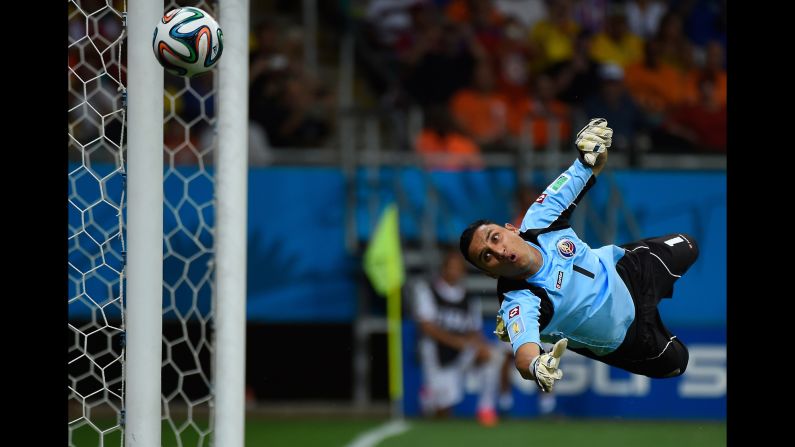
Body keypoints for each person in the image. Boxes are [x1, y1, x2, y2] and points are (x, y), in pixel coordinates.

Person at [458, 118, 698, 393]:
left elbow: (592, 164)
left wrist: (592, 149)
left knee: (689, 245)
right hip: (625, 338)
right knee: (678, 363)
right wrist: (535, 366)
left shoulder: (541, 218)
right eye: (487, 256)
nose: (499, 251)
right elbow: (524, 358)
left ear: (511, 228)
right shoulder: (519, 300)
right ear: (490, 273)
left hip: (627, 271)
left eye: (496, 237)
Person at [410, 248, 502, 425]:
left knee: (492, 356)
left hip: (461, 351)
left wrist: (479, 343)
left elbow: (475, 330)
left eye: (458, 268)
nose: (455, 272)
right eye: (451, 267)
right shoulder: (428, 291)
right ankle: (429, 397)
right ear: (443, 268)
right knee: (443, 410)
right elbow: (426, 327)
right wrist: (457, 342)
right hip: (437, 352)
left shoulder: (469, 298)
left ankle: (486, 408)